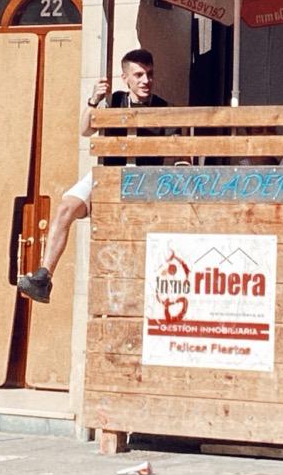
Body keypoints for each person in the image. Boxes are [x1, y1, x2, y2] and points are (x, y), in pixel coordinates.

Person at [17, 48, 174, 305]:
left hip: (142, 181)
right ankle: (43, 277)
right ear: (126, 78)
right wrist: (93, 100)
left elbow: (179, 148)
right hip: (107, 174)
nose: (146, 80)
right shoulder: (115, 101)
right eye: (139, 75)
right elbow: (85, 130)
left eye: (149, 74)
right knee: (66, 207)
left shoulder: (163, 108)